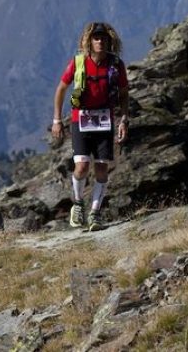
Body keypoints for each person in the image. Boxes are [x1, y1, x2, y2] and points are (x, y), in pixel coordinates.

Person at [51, 22, 129, 231]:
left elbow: (123, 94)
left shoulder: (115, 65)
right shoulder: (79, 63)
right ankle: (78, 204)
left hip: (105, 120)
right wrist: (57, 120)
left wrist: (124, 120)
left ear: (109, 41)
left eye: (103, 38)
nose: (100, 41)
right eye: (96, 38)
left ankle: (95, 213)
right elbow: (61, 89)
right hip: (80, 120)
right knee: (82, 166)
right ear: (89, 41)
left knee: (102, 168)